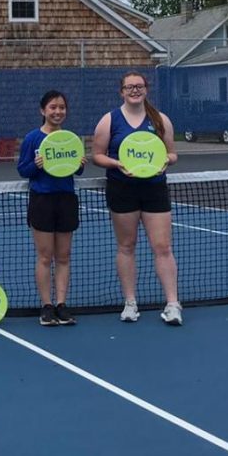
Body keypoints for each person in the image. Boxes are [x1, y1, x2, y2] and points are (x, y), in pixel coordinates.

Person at [91, 71, 182, 325]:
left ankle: (173, 304)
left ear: (146, 89)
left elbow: (172, 154)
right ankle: (130, 303)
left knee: (162, 247)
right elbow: (97, 155)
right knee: (126, 246)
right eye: (129, 87)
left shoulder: (160, 119)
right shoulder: (109, 121)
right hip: (122, 190)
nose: (134, 90)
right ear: (121, 91)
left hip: (154, 190)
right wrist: (117, 163)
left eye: (139, 86)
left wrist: (166, 160)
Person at [17, 90, 85, 326]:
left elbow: (77, 170)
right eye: (53, 107)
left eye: (62, 107)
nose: (58, 111)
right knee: (45, 256)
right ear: (43, 111)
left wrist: (79, 163)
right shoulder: (32, 139)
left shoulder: (70, 139)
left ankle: (61, 305)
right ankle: (46, 306)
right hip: (42, 201)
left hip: (66, 200)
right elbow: (23, 170)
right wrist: (36, 165)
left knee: (64, 256)